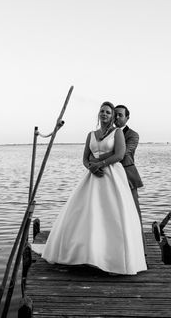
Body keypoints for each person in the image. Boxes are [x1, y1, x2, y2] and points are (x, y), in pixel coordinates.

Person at [41, 101, 147, 275]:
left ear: (112, 116)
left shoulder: (118, 132)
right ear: (99, 114)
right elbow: (85, 157)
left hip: (112, 175)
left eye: (107, 112)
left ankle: (116, 258)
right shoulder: (91, 134)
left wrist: (100, 164)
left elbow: (120, 154)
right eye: (102, 111)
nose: (104, 114)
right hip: (93, 176)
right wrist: (90, 166)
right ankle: (86, 254)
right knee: (87, 213)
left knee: (114, 214)